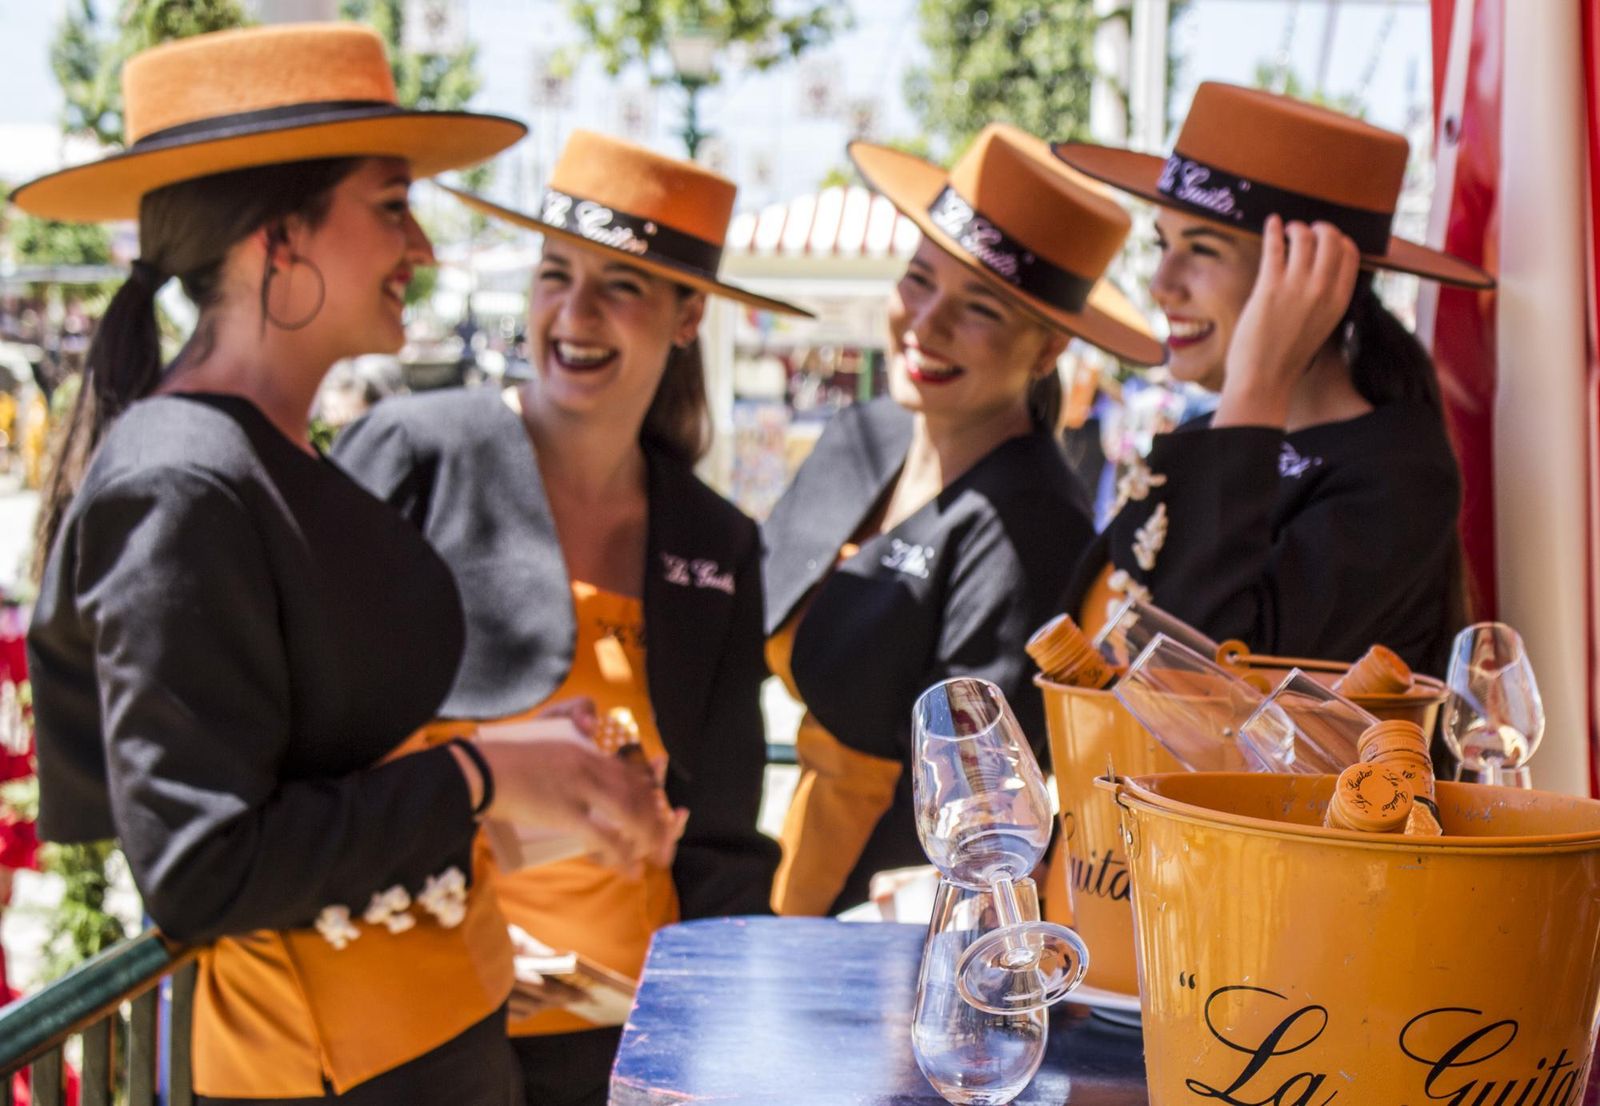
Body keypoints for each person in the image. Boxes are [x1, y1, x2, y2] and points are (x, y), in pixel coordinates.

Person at [17, 26, 677, 1104]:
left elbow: (324, 765)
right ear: (279, 238)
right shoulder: (179, 481)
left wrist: (510, 755)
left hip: (418, 1038)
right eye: (390, 204)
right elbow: (204, 864)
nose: (420, 247)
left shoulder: (253, 458)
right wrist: (485, 772)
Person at [333, 130, 798, 1106]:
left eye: (620, 284)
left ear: (687, 316)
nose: (574, 313)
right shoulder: (415, 455)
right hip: (410, 1030)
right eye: (556, 273)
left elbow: (718, 835)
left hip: (618, 1048)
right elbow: (319, 750)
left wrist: (714, 1045)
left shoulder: (717, 543)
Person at [762, 123, 1164, 917]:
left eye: (978, 308)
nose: (928, 323)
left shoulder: (1032, 523)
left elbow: (972, 802)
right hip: (786, 878)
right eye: (919, 279)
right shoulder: (865, 435)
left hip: (882, 928)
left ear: (1048, 349)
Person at [1053, 81, 1495, 676]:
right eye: (1164, 244)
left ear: (1311, 275)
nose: (1162, 283)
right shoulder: (1210, 432)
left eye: (1203, 249)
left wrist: (1257, 381)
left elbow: (1200, 686)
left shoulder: (1398, 471)